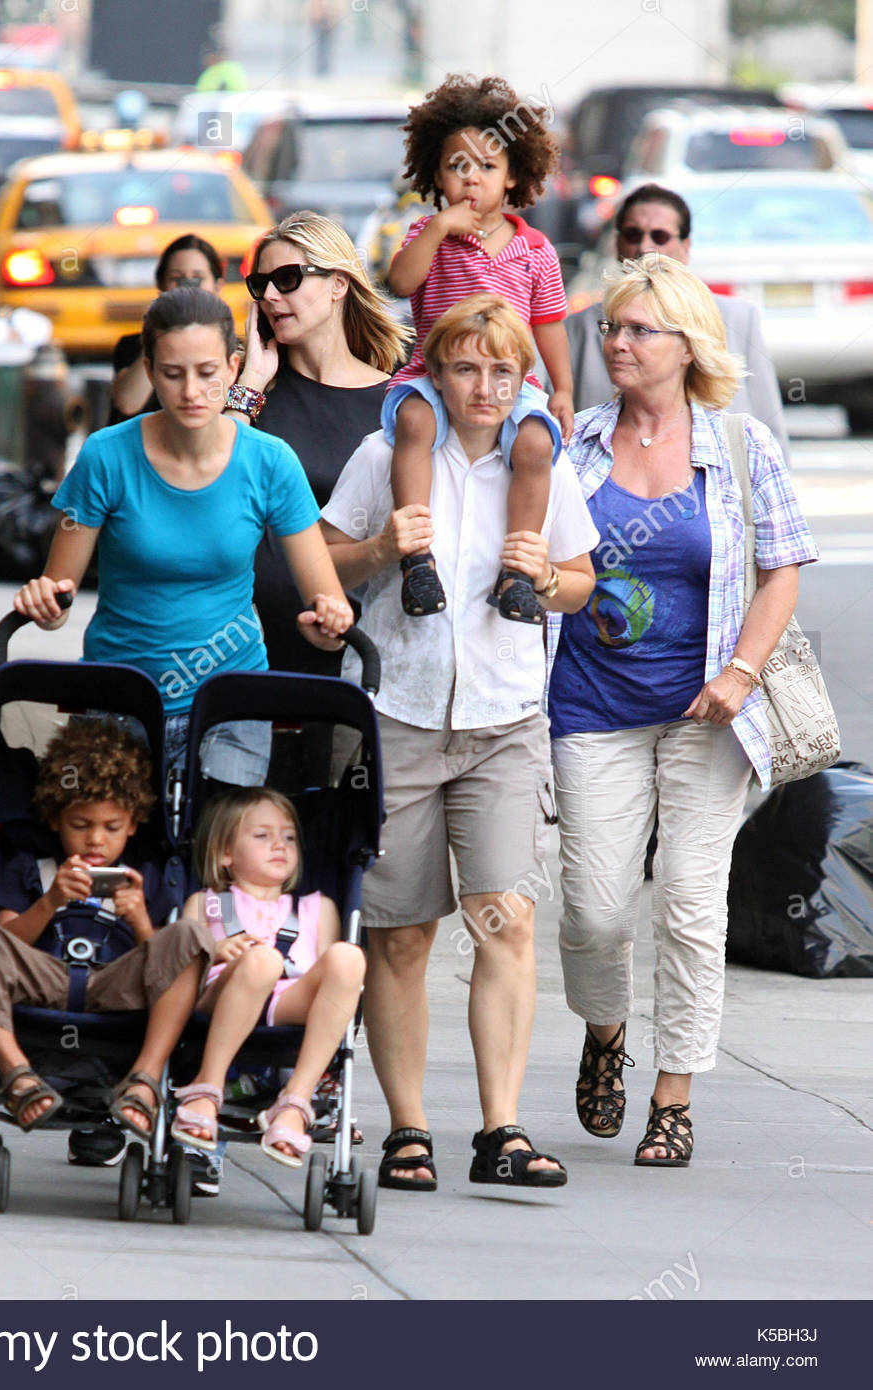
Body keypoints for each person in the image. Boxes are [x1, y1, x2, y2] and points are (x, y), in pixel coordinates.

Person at [321, 295, 599, 1192]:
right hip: (398, 714)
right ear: (435, 374)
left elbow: (583, 582)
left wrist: (547, 577)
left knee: (505, 920)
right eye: (468, 369)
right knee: (401, 934)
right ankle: (409, 1128)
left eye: (502, 372)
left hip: (504, 719)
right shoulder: (385, 454)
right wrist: (376, 549)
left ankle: (503, 1128)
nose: (485, 387)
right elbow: (322, 561)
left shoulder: (541, 464)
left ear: (521, 380)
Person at [547, 256, 817, 1167]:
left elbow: (780, 568)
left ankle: (673, 1096)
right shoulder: (574, 444)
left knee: (695, 908)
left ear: (685, 345)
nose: (616, 344)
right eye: (609, 329)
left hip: (709, 715)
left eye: (636, 331)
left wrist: (741, 671)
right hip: (590, 704)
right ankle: (605, 1029)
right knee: (590, 910)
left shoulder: (741, 446)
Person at [13, 286, 353, 777]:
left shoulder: (270, 462)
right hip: (120, 695)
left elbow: (326, 602)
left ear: (234, 369)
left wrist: (329, 624)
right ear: (149, 371)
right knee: (110, 847)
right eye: (172, 375)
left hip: (230, 699)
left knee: (222, 845)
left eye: (207, 373)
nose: (191, 392)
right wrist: (43, 601)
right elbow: (56, 601)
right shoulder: (105, 456)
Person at [0, 720, 215, 1137]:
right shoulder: (31, 867)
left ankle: (145, 1081)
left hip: (115, 983)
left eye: (111, 828)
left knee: (190, 938)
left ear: (133, 824)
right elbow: (3, 944)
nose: (95, 840)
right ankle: (17, 1075)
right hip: (42, 975)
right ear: (55, 820)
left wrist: (138, 919)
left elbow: (163, 969)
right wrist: (50, 902)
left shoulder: (148, 875)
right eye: (81, 825)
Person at [384, 73, 573, 623]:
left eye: (487, 167)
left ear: (514, 176)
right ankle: (418, 555)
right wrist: (440, 227)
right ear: (436, 174)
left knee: (536, 445)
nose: (472, 179)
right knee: (415, 425)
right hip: (436, 376)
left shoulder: (535, 251)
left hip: (508, 384)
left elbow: (550, 324)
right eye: (457, 166)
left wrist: (561, 387)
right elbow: (399, 282)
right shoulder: (428, 234)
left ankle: (517, 569)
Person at [228, 211, 411, 677]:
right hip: (250, 646)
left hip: (361, 648)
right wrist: (251, 379)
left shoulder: (395, 404)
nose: (270, 295)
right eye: (260, 284)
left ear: (338, 284)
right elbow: (217, 484)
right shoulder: (252, 397)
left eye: (288, 279)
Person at [169, 788, 364, 1168]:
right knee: (261, 961)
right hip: (221, 995)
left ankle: (295, 1101)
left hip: (286, 1001)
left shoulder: (316, 908)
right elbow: (181, 976)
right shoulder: (207, 902)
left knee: (348, 957)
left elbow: (326, 979)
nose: (279, 844)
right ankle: (206, 1088)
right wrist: (215, 954)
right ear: (225, 853)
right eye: (262, 836)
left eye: (289, 837)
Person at [566, 183, 790, 461]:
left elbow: (771, 426)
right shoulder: (579, 327)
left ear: (685, 247)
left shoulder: (737, 317)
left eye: (659, 236)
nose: (645, 247)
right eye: (633, 234)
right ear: (617, 243)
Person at [108, 235, 225, 426]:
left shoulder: (231, 348)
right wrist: (159, 328)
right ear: (161, 286)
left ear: (217, 286)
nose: (187, 287)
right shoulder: (135, 345)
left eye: (197, 279)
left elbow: (237, 415)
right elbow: (127, 404)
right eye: (177, 279)